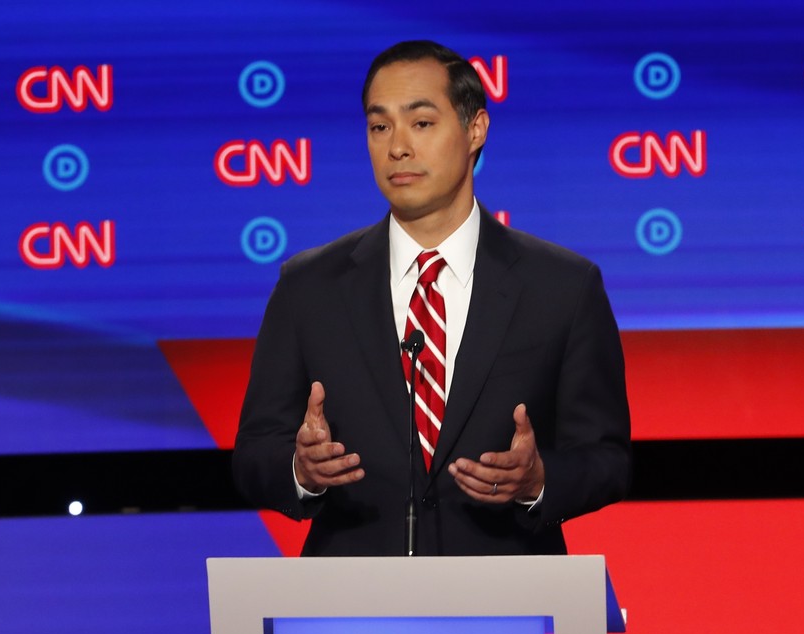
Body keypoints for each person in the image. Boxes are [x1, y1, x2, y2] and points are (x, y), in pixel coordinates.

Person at [233, 40, 631, 556]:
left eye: (421, 123)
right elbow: (253, 454)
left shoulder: (562, 286)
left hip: (506, 602)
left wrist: (537, 480)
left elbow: (607, 460)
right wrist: (300, 470)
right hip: (349, 606)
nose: (398, 147)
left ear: (475, 130)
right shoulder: (309, 286)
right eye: (380, 127)